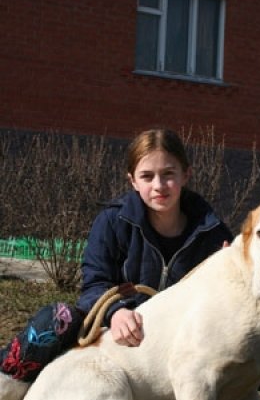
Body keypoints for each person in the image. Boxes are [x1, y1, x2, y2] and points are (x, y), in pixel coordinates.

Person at [0, 129, 233, 385]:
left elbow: (226, 303)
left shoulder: (212, 234)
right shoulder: (113, 222)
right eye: (147, 176)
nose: (158, 185)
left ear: (185, 175)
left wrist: (231, 274)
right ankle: (6, 385)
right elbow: (94, 285)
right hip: (117, 337)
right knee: (59, 320)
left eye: (168, 174)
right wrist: (116, 312)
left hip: (178, 342)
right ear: (133, 181)